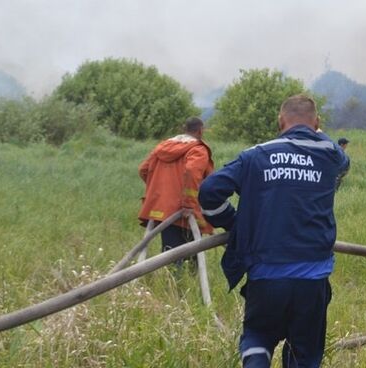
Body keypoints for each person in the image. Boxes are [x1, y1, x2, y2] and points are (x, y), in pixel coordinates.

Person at [198, 95, 349, 368]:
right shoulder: (331, 155)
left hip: (266, 275)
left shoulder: (256, 155)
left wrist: (233, 224)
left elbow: (209, 192)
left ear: (280, 121)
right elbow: (344, 162)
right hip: (312, 278)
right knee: (304, 354)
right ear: (316, 123)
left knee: (258, 335)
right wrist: (319, 133)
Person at [138, 117, 214, 267]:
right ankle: (184, 287)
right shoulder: (198, 150)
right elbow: (192, 172)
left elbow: (143, 170)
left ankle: (171, 286)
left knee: (169, 252)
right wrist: (188, 204)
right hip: (186, 212)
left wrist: (160, 191)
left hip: (162, 211)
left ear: (184, 129)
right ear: (200, 131)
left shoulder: (161, 148)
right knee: (191, 255)